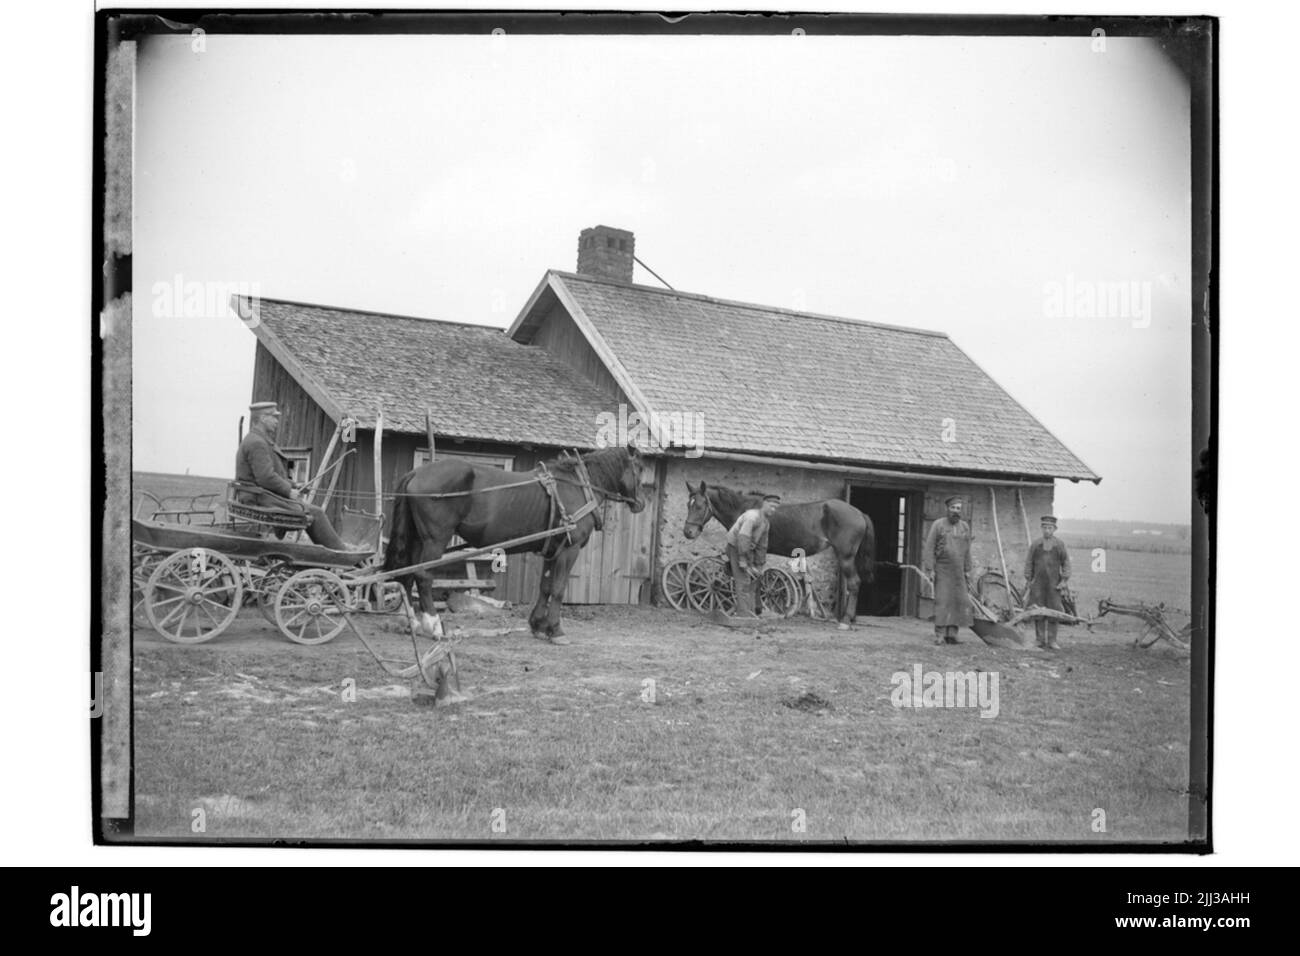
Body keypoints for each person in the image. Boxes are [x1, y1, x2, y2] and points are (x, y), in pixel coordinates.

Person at [235, 401, 358, 553]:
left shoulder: (257, 440)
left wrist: (294, 485)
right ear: (262, 418)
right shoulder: (257, 443)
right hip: (259, 498)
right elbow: (265, 478)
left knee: (311, 510)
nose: (277, 421)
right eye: (273, 417)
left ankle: (332, 549)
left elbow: (271, 475)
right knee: (316, 513)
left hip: (260, 495)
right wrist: (288, 492)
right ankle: (340, 553)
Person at [923, 495, 974, 644]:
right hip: (943, 569)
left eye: (958, 508)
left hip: (959, 571)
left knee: (958, 601)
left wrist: (968, 569)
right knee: (943, 600)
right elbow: (929, 547)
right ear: (947, 509)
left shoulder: (964, 527)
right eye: (953, 508)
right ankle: (939, 634)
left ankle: (952, 634)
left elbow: (967, 549)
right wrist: (930, 568)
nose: (956, 511)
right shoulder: (938, 525)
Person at [726, 493, 780, 617]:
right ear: (764, 504)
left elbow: (762, 546)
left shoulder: (766, 523)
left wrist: (759, 565)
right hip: (735, 547)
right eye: (771, 506)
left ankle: (749, 611)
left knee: (753, 580)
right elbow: (743, 538)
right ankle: (743, 614)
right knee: (743, 580)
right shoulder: (752, 517)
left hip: (747, 549)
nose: (773, 510)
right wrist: (743, 560)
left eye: (775, 508)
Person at [1024, 515, 1071, 650]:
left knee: (1054, 611)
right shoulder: (1036, 544)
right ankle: (1039, 640)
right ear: (1041, 528)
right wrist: (1028, 578)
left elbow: (1066, 563)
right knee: (1037, 610)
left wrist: (1064, 580)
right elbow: (1029, 562)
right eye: (1044, 528)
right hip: (1038, 583)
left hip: (1054, 584)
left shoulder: (1059, 544)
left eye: (1050, 528)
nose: (1047, 530)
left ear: (1054, 529)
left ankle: (1052, 640)